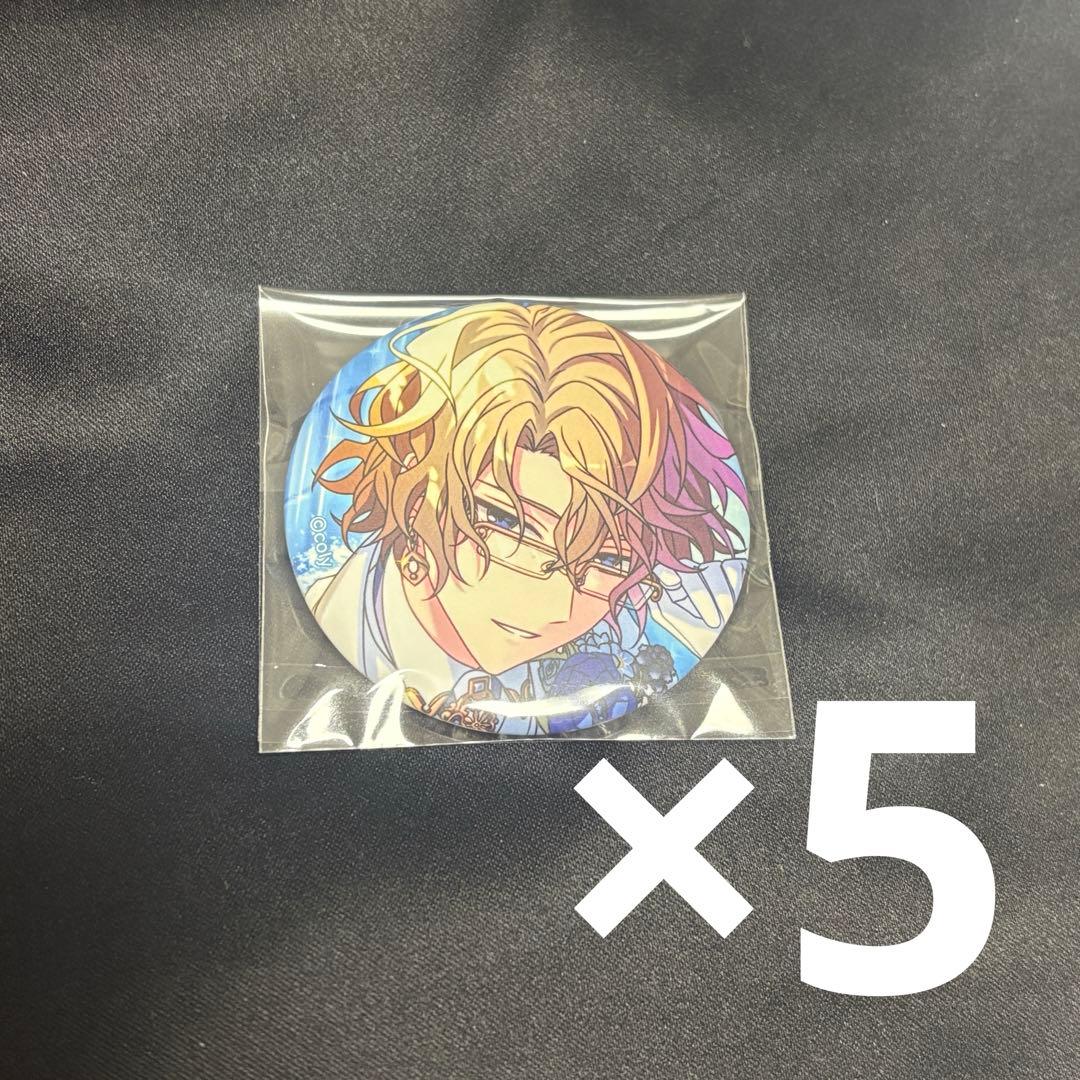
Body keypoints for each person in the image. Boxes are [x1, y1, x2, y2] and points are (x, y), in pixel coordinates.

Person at [305, 301, 747, 735]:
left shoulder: (635, 635)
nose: (553, 609)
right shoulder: (327, 636)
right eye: (504, 522)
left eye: (609, 559)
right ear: (414, 482)